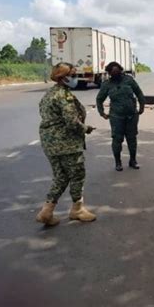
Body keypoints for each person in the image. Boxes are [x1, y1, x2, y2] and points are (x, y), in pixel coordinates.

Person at [36, 62, 97, 226]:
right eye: (73, 75)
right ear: (63, 77)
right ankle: (77, 209)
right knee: (77, 175)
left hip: (50, 143)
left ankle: (46, 211)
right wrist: (86, 128)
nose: (76, 78)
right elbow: (71, 122)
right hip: (66, 143)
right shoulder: (64, 95)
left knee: (61, 176)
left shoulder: (49, 94)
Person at [96, 61, 145, 171]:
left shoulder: (129, 80)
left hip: (132, 116)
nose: (116, 75)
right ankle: (118, 162)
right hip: (116, 117)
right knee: (117, 140)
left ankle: (133, 160)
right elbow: (99, 99)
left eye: (118, 72)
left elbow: (139, 93)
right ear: (109, 73)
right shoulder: (107, 85)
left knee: (132, 139)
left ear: (121, 71)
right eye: (113, 73)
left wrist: (142, 105)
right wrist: (102, 113)